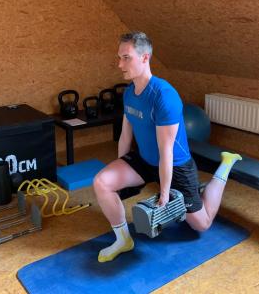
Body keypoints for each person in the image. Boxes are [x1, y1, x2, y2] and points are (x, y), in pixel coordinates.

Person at [93, 31, 242, 263]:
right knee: (102, 182)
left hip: (176, 164)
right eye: (119, 57)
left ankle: (226, 164)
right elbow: (125, 135)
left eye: (126, 57)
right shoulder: (130, 93)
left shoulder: (164, 96)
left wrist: (165, 194)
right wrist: (123, 171)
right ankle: (123, 240)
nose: (119, 64)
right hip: (145, 159)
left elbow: (167, 152)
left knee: (202, 224)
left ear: (145, 58)